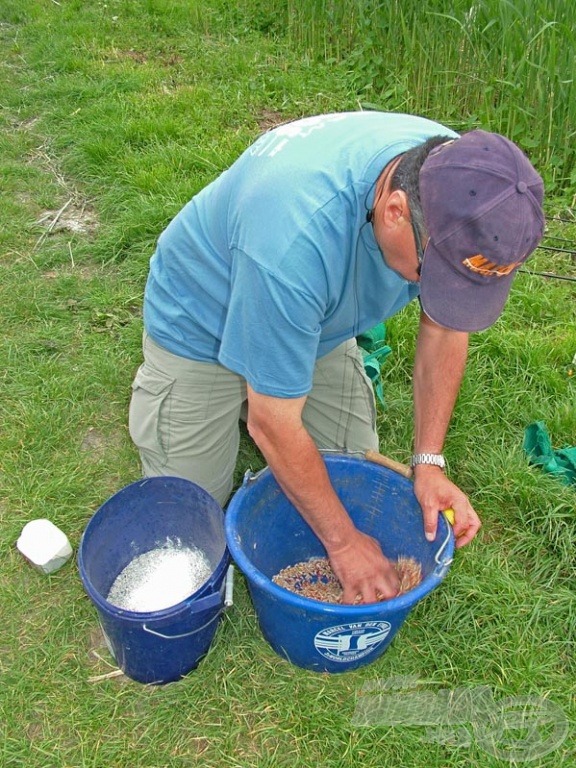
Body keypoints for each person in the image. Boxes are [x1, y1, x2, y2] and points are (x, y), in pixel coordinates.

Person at [128, 111, 544, 604]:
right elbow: (274, 425)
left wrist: (428, 462)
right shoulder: (293, 242)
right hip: (202, 321)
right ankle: (242, 395)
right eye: (434, 276)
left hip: (313, 321)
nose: (437, 291)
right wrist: (344, 544)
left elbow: (445, 327)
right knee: (191, 523)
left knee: (351, 476)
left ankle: (271, 383)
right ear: (394, 212)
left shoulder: (465, 184)